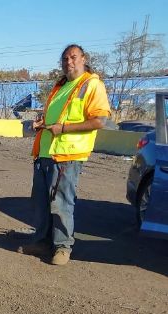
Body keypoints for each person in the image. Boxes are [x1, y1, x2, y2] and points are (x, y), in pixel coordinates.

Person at [19, 44, 111, 265]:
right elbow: (55, 119)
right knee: (41, 202)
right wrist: (42, 123)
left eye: (73, 57)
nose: (68, 62)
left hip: (67, 155)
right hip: (44, 153)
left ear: (83, 59)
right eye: (64, 59)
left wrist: (65, 128)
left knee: (61, 202)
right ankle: (41, 241)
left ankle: (62, 247)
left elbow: (99, 120)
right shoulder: (60, 86)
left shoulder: (91, 85)